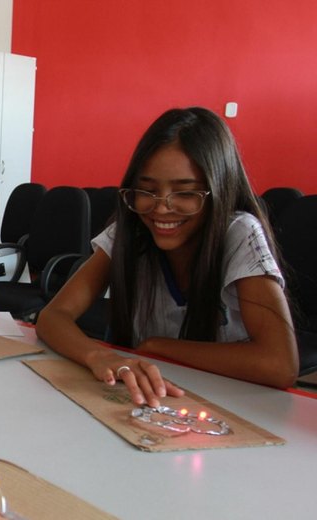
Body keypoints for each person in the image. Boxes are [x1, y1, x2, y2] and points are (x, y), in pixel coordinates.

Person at [36, 107, 299, 406]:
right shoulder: (130, 231)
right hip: (152, 401)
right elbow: (52, 317)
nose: (161, 209)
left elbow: (279, 364)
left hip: (232, 402)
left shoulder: (239, 233)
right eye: (147, 190)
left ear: (219, 191)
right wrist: (99, 355)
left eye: (186, 194)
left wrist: (157, 347)